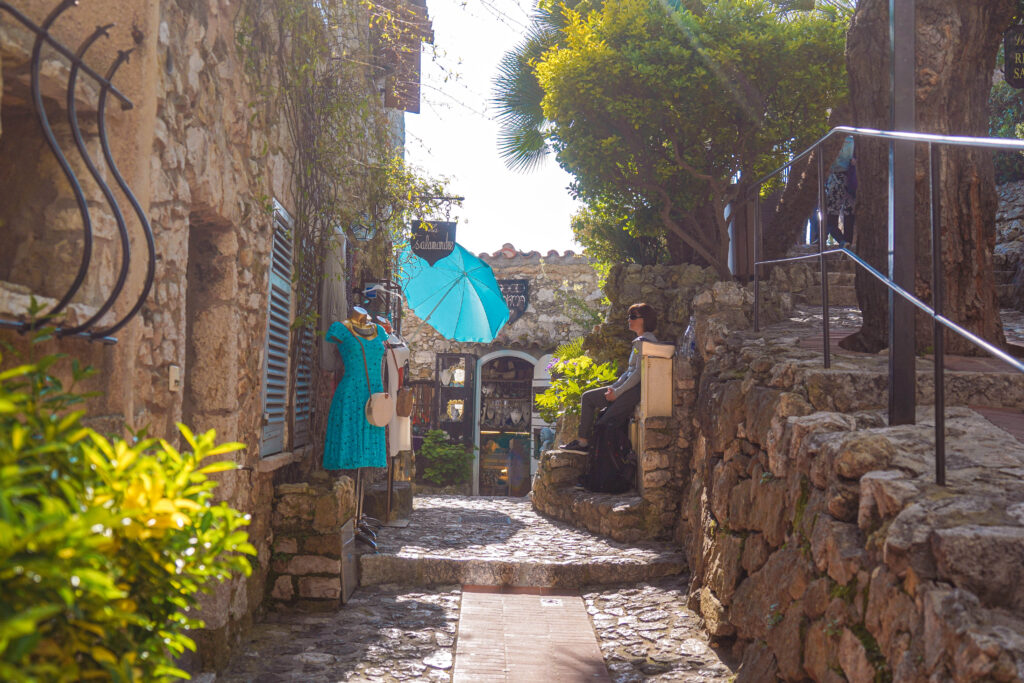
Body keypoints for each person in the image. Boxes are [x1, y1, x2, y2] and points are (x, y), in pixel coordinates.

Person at [559, 303, 658, 454]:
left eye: (633, 317)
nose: (628, 320)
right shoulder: (639, 340)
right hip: (624, 388)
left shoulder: (646, 341)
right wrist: (614, 387)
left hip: (633, 391)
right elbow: (628, 372)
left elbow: (638, 374)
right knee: (588, 398)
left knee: (604, 424)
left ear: (644, 320)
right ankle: (583, 442)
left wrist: (616, 393)